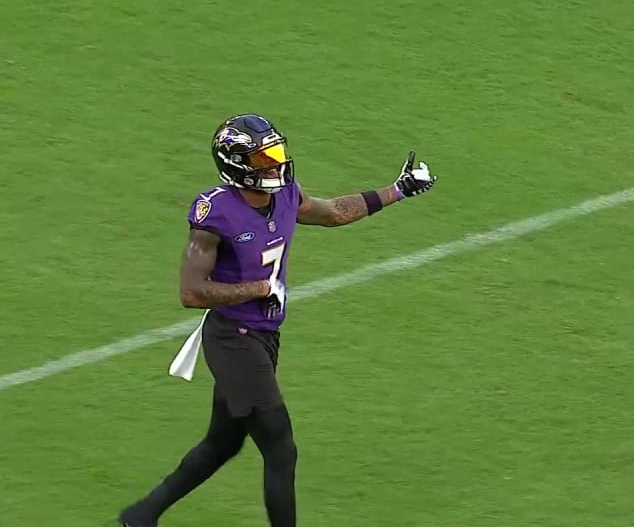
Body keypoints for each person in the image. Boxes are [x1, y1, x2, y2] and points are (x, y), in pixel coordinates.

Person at [117, 113, 437, 527]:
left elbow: (334, 211)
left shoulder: (285, 195)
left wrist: (399, 190)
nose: (275, 164)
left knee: (222, 443)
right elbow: (191, 292)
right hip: (233, 337)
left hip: (263, 336)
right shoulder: (216, 213)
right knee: (280, 449)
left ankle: (139, 516)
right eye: (263, 158)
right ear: (236, 165)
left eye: (276, 153)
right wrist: (258, 288)